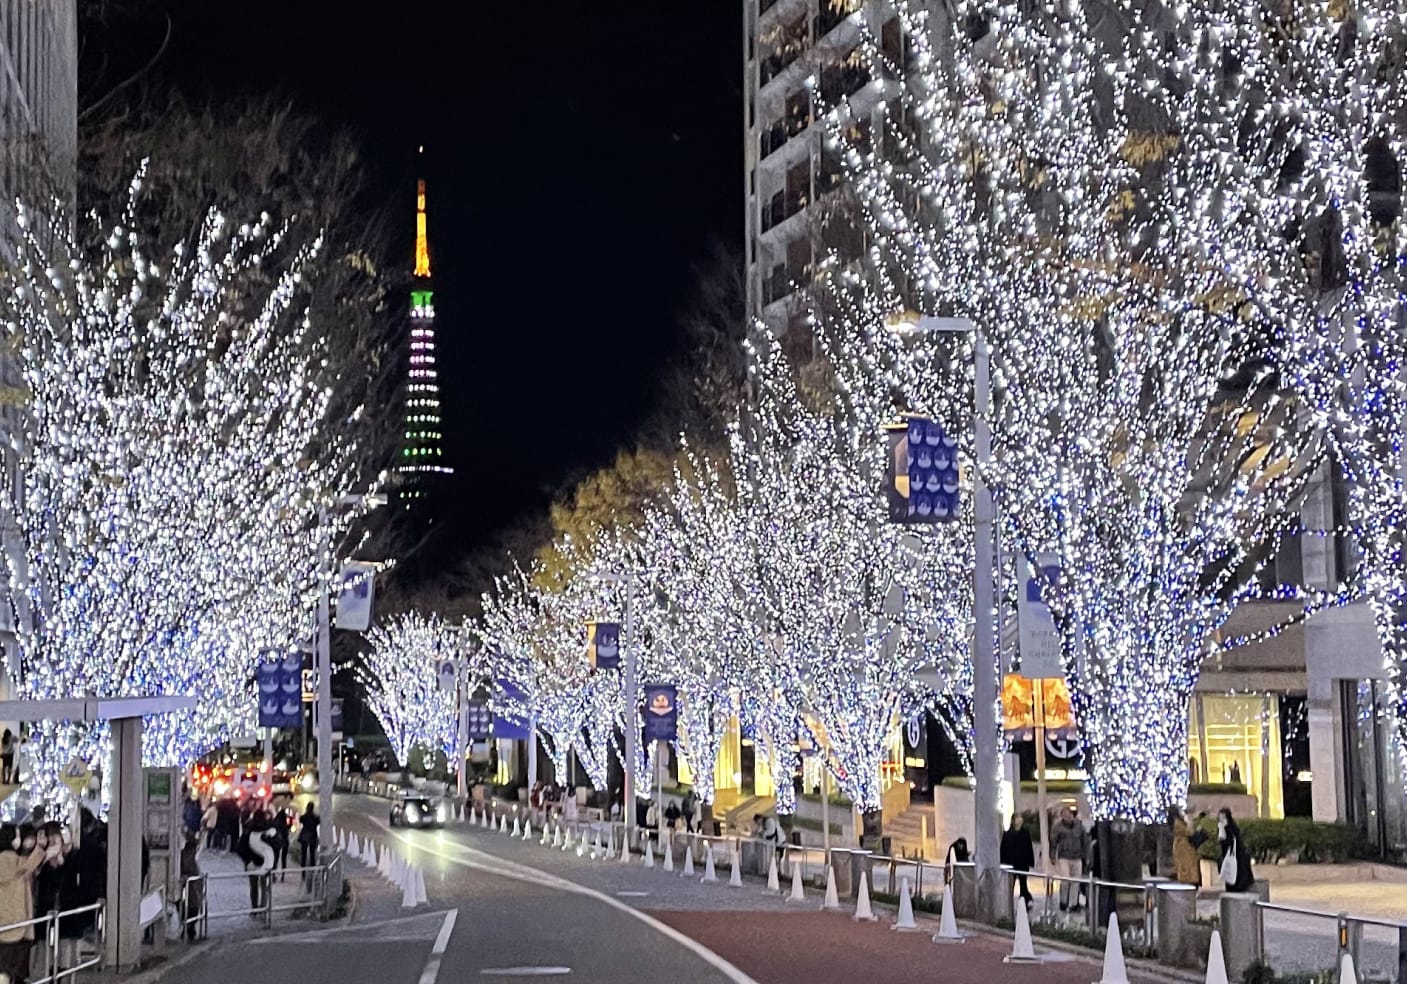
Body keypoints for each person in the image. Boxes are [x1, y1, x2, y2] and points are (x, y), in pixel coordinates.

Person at [0, 822, 50, 984]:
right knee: (6, 969)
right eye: (17, 835)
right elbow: (26, 866)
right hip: (13, 922)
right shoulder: (8, 859)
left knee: (8, 968)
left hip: (11, 921)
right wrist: (42, 850)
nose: (19, 840)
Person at [237, 810, 277, 912]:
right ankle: (263, 907)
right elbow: (275, 846)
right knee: (264, 886)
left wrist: (247, 860)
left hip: (252, 862)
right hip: (266, 861)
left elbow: (241, 847)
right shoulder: (268, 828)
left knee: (254, 886)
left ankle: (254, 908)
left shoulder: (248, 828)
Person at [1050, 806, 1088, 911]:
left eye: (1070, 814)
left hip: (1077, 857)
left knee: (1076, 882)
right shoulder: (1058, 827)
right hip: (1064, 857)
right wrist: (1052, 856)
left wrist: (1086, 856)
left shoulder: (1079, 826)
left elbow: (1085, 841)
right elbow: (1053, 842)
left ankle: (1073, 903)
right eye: (1065, 815)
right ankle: (1063, 902)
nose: (1068, 817)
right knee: (1065, 880)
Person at [1000, 814, 1035, 909]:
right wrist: (1003, 862)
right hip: (1011, 863)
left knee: (1023, 883)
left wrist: (1031, 861)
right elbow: (1003, 849)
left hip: (1023, 862)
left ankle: (1024, 902)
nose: (1020, 819)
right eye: (1018, 818)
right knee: (1010, 884)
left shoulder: (1025, 833)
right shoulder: (1007, 834)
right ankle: (1007, 904)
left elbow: (1029, 847)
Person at [1217, 808, 1254, 893]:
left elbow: (1229, 841)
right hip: (1230, 855)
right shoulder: (1222, 827)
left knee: (1237, 875)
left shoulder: (1230, 827)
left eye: (1223, 817)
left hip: (1236, 855)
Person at [1169, 806, 1204, 887]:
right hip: (1182, 847)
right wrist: (1189, 822)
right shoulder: (1177, 823)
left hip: (1185, 846)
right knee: (1186, 867)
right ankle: (1189, 882)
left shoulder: (1180, 821)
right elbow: (1189, 832)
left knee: (1190, 865)